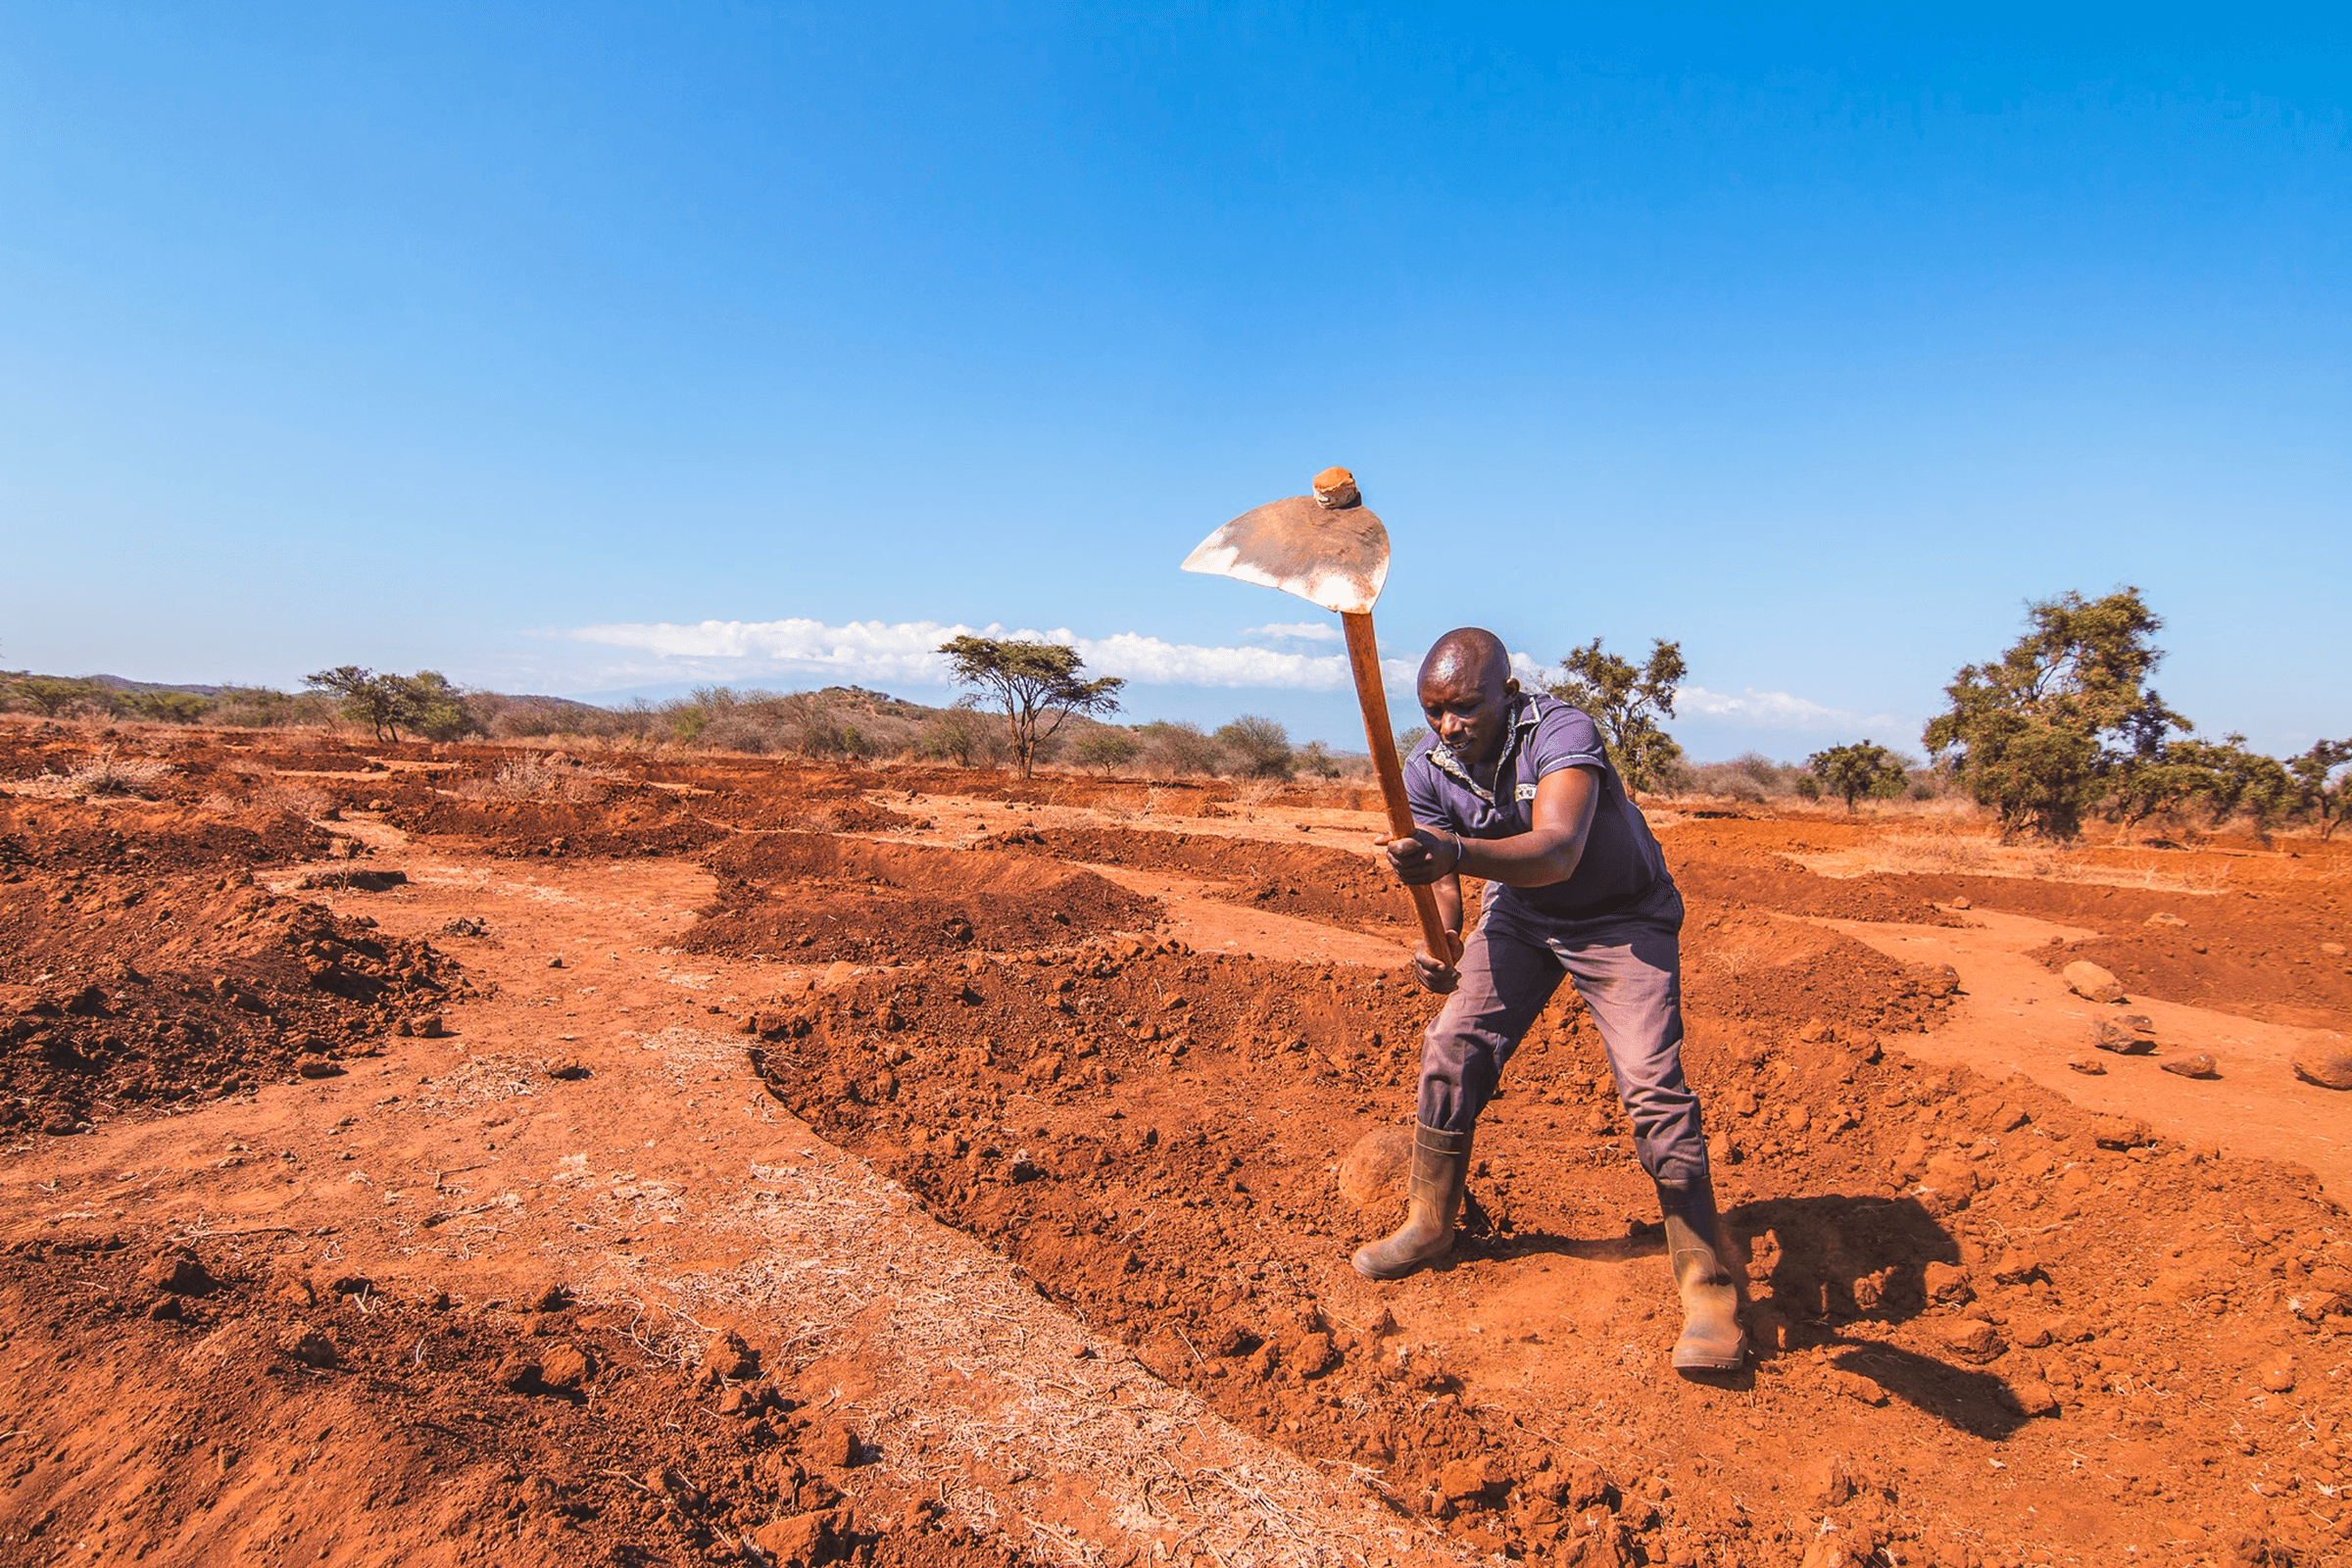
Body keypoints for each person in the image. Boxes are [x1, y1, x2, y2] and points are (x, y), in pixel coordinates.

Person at [1351, 626, 1743, 1374]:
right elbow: (1440, 872)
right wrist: (1445, 940)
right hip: (1523, 914)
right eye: (1433, 711)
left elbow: (1560, 848)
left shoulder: (1561, 730)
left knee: (1653, 1091)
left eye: (1463, 708)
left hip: (1622, 917)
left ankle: (1709, 1292)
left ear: (1506, 691)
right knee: (1451, 1048)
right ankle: (1430, 1221)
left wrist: (1458, 852)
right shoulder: (1430, 767)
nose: (1448, 727)